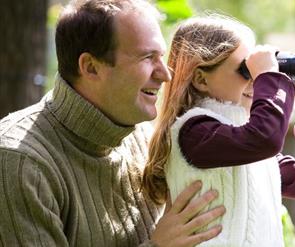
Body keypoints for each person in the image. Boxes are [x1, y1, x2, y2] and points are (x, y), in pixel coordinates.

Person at [0, 0, 226, 246]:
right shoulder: (21, 162)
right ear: (91, 67)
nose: (165, 74)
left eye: (161, 56)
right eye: (148, 57)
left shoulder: (139, 133)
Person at [142, 15, 295, 246]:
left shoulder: (248, 149)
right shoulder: (194, 133)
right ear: (200, 79)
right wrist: (270, 77)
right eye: (245, 70)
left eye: (256, 72)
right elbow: (263, 139)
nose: (255, 82)